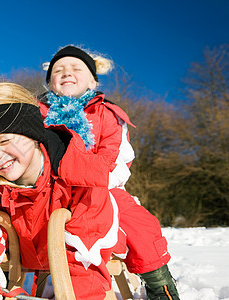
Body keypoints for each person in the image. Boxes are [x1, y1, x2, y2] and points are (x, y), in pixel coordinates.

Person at [0, 82, 126, 299]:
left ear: (32, 133)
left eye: (4, 140)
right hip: (25, 255)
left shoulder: (80, 177)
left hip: (79, 260)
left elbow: (86, 258)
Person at [39, 45, 180, 300]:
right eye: (58, 70)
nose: (66, 73)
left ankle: (161, 286)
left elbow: (113, 159)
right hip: (50, 190)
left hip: (101, 188)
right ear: (50, 82)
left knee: (140, 225)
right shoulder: (37, 115)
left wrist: (84, 175)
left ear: (92, 80)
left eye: (75, 68)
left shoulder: (106, 114)